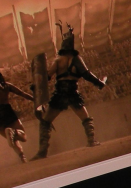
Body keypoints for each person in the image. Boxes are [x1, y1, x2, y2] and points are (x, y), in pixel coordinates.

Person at [32, 21, 108, 160]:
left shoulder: (58, 60)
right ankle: (91, 141)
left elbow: (47, 77)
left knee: (46, 122)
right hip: (72, 92)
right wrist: (99, 83)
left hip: (60, 93)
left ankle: (42, 151)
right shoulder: (76, 59)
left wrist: (37, 85)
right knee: (85, 118)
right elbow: (86, 74)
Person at [0, 68, 33, 163]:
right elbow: (22, 93)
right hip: (5, 111)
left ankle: (22, 157)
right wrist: (34, 99)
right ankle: (14, 132)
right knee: (23, 136)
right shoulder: (5, 86)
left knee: (12, 139)